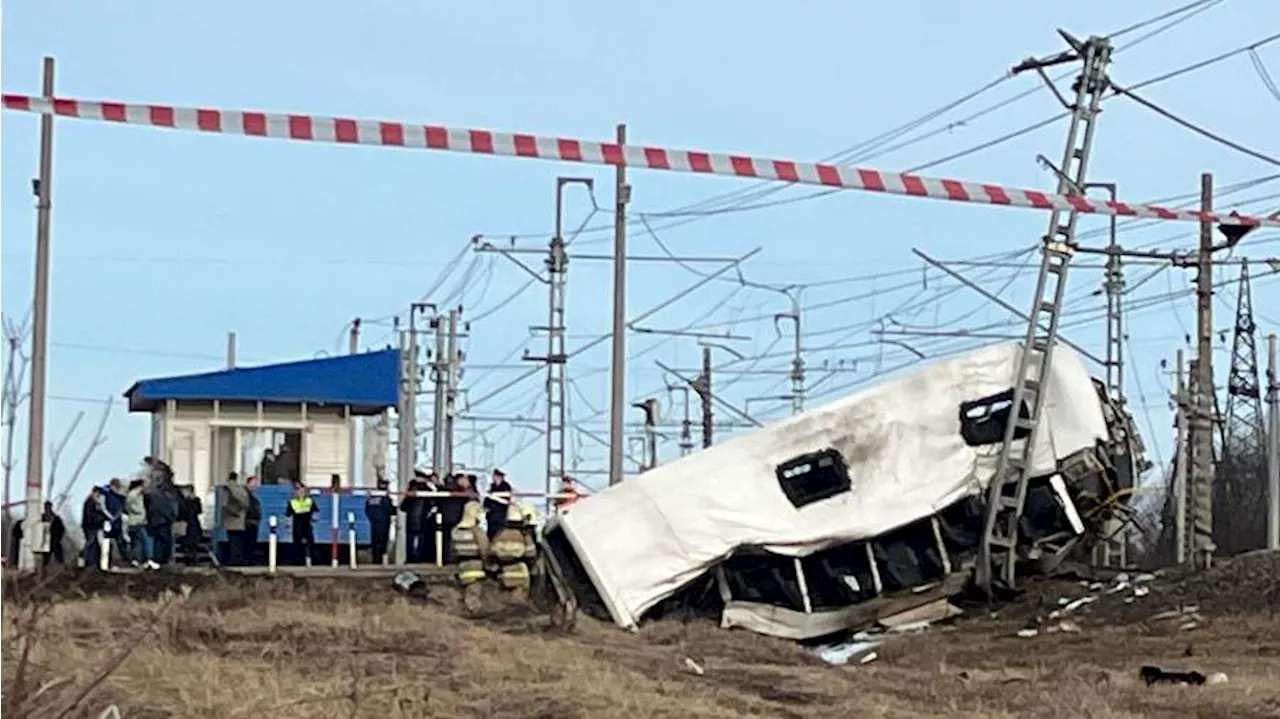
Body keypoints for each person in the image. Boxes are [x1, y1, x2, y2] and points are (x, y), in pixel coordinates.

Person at [452, 494, 488, 613]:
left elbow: (452, 550)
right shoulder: (477, 531)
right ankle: (473, 616)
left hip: (462, 568)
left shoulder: (456, 531)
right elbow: (485, 549)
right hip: (476, 567)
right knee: (474, 594)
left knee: (465, 592)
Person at [489, 502, 532, 599]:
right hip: (520, 574)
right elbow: (531, 553)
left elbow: (492, 552)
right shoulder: (524, 535)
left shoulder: (499, 535)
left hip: (504, 573)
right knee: (518, 607)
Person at [143, 460, 181, 566]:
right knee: (163, 541)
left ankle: (158, 561)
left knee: (159, 541)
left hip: (157, 519)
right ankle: (161, 561)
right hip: (163, 520)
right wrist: (171, 516)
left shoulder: (154, 492)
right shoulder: (166, 492)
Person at [221, 472, 250, 566]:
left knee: (233, 541)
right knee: (239, 541)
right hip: (241, 519)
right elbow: (247, 504)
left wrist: (231, 512)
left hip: (231, 519)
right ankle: (239, 558)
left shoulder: (227, 489)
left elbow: (224, 504)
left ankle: (234, 560)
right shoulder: (242, 490)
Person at [365, 477, 395, 565]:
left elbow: (367, 510)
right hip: (383, 522)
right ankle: (380, 560)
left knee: (376, 543)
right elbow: (390, 510)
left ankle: (376, 560)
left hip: (375, 523)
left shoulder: (373, 496)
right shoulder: (384, 497)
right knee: (382, 543)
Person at [285, 482, 316, 566]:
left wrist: (314, 519)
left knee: (309, 544)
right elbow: (288, 514)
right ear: (296, 492)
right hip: (297, 526)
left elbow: (315, 512)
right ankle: (298, 563)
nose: (301, 493)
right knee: (297, 545)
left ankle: (308, 560)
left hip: (307, 525)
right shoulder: (292, 502)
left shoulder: (310, 501)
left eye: (303, 491)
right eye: (299, 491)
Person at [399, 476, 429, 563]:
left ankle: (410, 558)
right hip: (422, 521)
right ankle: (419, 558)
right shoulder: (426, 494)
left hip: (410, 521)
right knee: (420, 540)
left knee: (409, 541)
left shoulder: (410, 496)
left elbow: (402, 507)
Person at [80, 486, 109, 569]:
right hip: (91, 527)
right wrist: (100, 519)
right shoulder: (90, 502)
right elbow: (90, 516)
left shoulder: (93, 502)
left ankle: (93, 562)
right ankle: (87, 561)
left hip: (92, 526)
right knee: (91, 543)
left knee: (94, 544)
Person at [124, 479, 150, 568]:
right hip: (138, 521)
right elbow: (137, 508)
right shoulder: (135, 495)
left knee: (136, 543)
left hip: (132, 522)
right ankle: (146, 560)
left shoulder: (130, 495)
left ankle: (135, 560)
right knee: (144, 541)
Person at [483, 469, 513, 542]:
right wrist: (486, 506)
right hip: (491, 513)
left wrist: (495, 497)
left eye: (495, 476)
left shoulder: (506, 486)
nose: (493, 477)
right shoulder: (492, 486)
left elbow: (506, 500)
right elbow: (487, 498)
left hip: (500, 513)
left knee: (499, 531)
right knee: (490, 531)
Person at [244, 476, 263, 565]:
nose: (255, 486)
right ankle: (248, 560)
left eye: (256, 485)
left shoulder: (253, 497)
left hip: (253, 522)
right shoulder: (246, 495)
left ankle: (249, 559)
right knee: (248, 542)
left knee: (251, 543)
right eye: (253, 484)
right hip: (249, 522)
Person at [43, 501, 66, 567]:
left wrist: (58, 538)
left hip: (55, 541)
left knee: (60, 559)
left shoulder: (56, 519)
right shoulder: (42, 517)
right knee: (45, 561)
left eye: (48, 507)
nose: (47, 509)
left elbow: (62, 529)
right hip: (45, 542)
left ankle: (62, 568)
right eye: (46, 507)